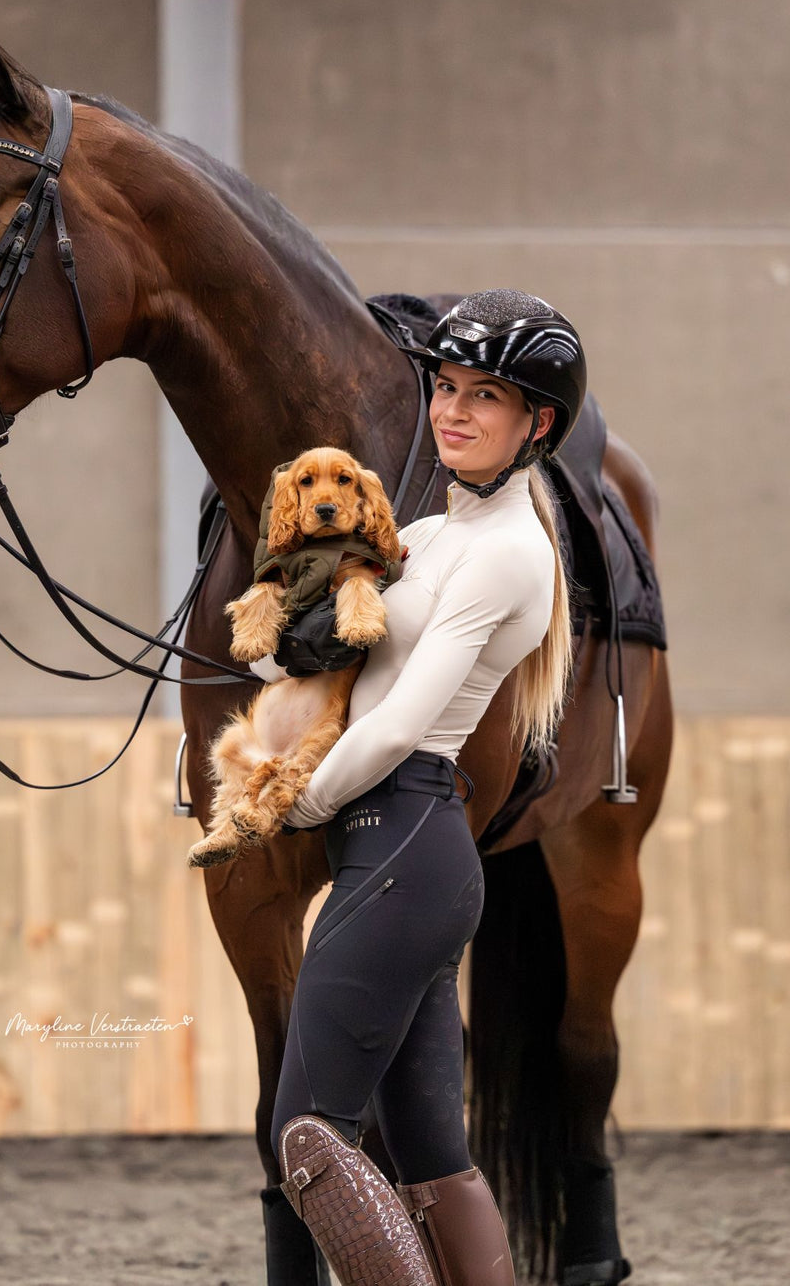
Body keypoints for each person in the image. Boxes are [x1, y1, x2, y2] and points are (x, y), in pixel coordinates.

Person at [256, 289, 587, 1286]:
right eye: (445, 386)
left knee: (310, 1134)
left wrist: (297, 802)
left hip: (402, 843)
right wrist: (286, 638)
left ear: (538, 423)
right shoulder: (429, 537)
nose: (452, 410)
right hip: (401, 855)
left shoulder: (509, 553)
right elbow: (322, 666)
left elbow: (401, 724)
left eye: (485, 395)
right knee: (433, 1152)